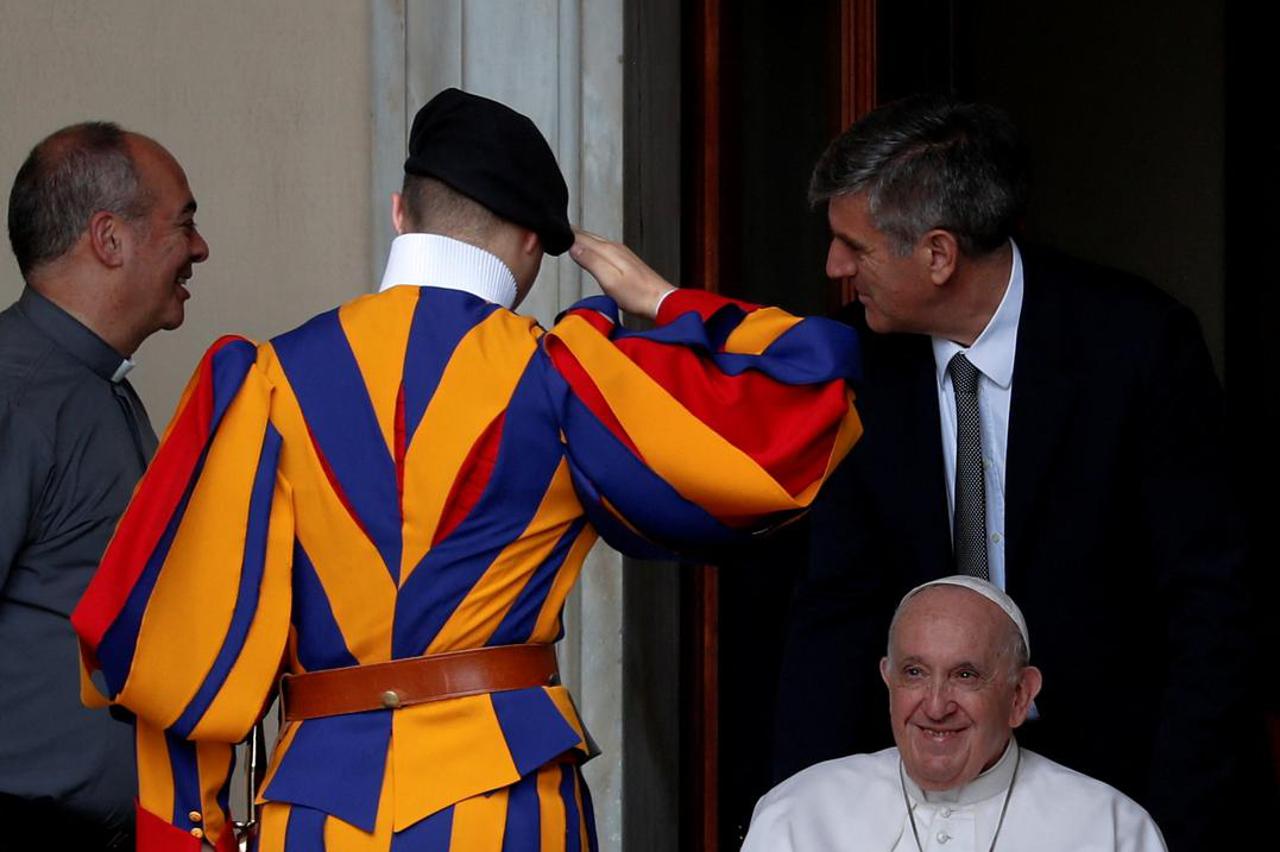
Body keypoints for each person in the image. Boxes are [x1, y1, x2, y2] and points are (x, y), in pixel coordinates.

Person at [71, 88, 863, 850]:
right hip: (504, 805)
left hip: (316, 813)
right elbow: (807, 402)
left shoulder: (265, 381)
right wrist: (665, 299)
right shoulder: (565, 374)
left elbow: (181, 651)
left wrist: (192, 827)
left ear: (399, 213)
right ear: (530, 245)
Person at [772, 95, 1261, 850]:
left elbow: (1212, 605)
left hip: (1118, 785)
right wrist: (800, 809)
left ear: (938, 255)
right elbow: (832, 610)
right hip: (906, 798)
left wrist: (1176, 820)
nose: (834, 268)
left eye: (854, 247)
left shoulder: (1136, 345)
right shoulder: (849, 361)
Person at [0, 122, 209, 848]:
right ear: (109, 239)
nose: (199, 248)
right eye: (183, 222)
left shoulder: (96, 389)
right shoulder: (17, 392)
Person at [747, 577, 1166, 851]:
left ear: (1020, 695)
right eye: (914, 673)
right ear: (887, 680)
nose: (935, 706)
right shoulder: (798, 813)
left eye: (965, 675)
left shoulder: (1112, 829)